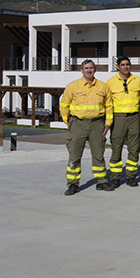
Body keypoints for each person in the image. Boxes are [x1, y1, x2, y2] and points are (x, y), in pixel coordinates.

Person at [60, 60, 113, 195]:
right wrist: (69, 124)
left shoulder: (103, 87)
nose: (89, 70)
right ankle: (73, 184)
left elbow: (109, 106)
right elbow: (64, 105)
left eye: (91, 68)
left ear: (95, 70)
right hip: (78, 124)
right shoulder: (73, 86)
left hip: (97, 124)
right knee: (74, 155)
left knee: (98, 154)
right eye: (86, 68)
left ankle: (101, 181)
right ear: (81, 70)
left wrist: (108, 123)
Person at [106, 55, 140, 187]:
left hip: (134, 117)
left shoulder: (138, 81)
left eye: (127, 64)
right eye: (122, 65)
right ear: (117, 67)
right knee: (116, 147)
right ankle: (115, 178)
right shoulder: (110, 83)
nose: (125, 67)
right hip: (118, 118)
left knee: (134, 148)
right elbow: (108, 102)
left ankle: (131, 176)